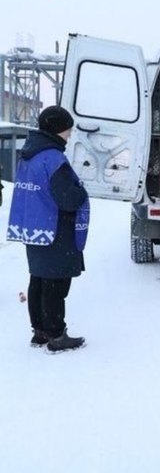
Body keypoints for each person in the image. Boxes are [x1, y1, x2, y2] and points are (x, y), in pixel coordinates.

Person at [6, 106, 89, 352]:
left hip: (34, 226)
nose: (69, 135)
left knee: (39, 278)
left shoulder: (30, 154)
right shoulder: (53, 158)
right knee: (56, 282)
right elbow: (68, 199)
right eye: (68, 130)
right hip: (55, 228)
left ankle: (40, 331)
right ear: (57, 129)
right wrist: (81, 190)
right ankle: (56, 335)